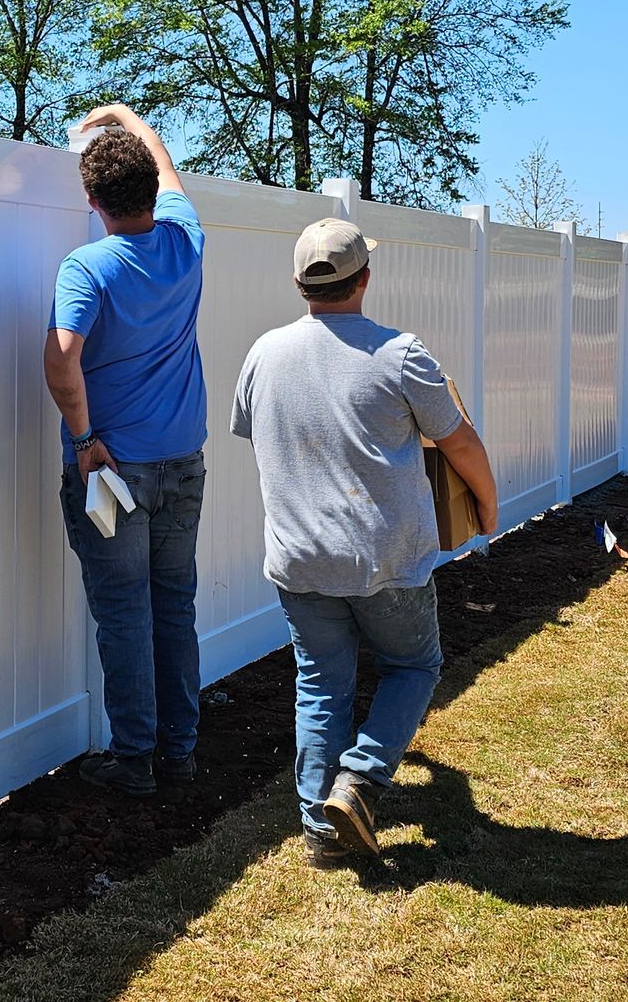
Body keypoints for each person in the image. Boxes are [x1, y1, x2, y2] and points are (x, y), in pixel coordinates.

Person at [230, 217, 499, 865]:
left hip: (297, 560)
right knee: (413, 666)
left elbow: (252, 430)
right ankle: (360, 779)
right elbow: (457, 441)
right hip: (387, 559)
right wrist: (488, 508)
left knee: (322, 684)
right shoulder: (400, 353)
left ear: (300, 284)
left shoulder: (263, 353)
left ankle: (321, 834)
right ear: (365, 279)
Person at [43, 104, 208, 797]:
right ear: (150, 191)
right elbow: (166, 164)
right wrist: (126, 116)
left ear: (91, 202)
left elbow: (60, 361)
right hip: (181, 463)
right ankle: (180, 753)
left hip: (111, 473)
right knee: (173, 606)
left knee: (124, 613)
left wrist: (83, 439)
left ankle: (133, 758)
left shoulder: (87, 268)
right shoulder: (185, 243)